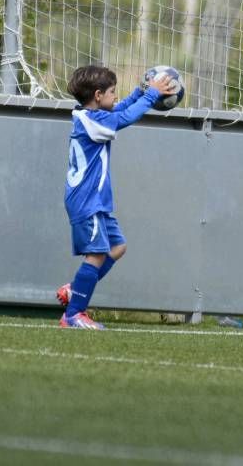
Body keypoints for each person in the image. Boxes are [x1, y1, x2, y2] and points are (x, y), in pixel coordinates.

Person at [56, 65, 175, 329]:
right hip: (87, 200)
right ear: (98, 95)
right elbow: (125, 118)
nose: (115, 96)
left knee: (117, 248)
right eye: (112, 92)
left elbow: (120, 109)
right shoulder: (94, 121)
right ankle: (74, 314)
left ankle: (75, 289)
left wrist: (140, 92)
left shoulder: (91, 115)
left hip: (94, 201)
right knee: (96, 255)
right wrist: (151, 96)